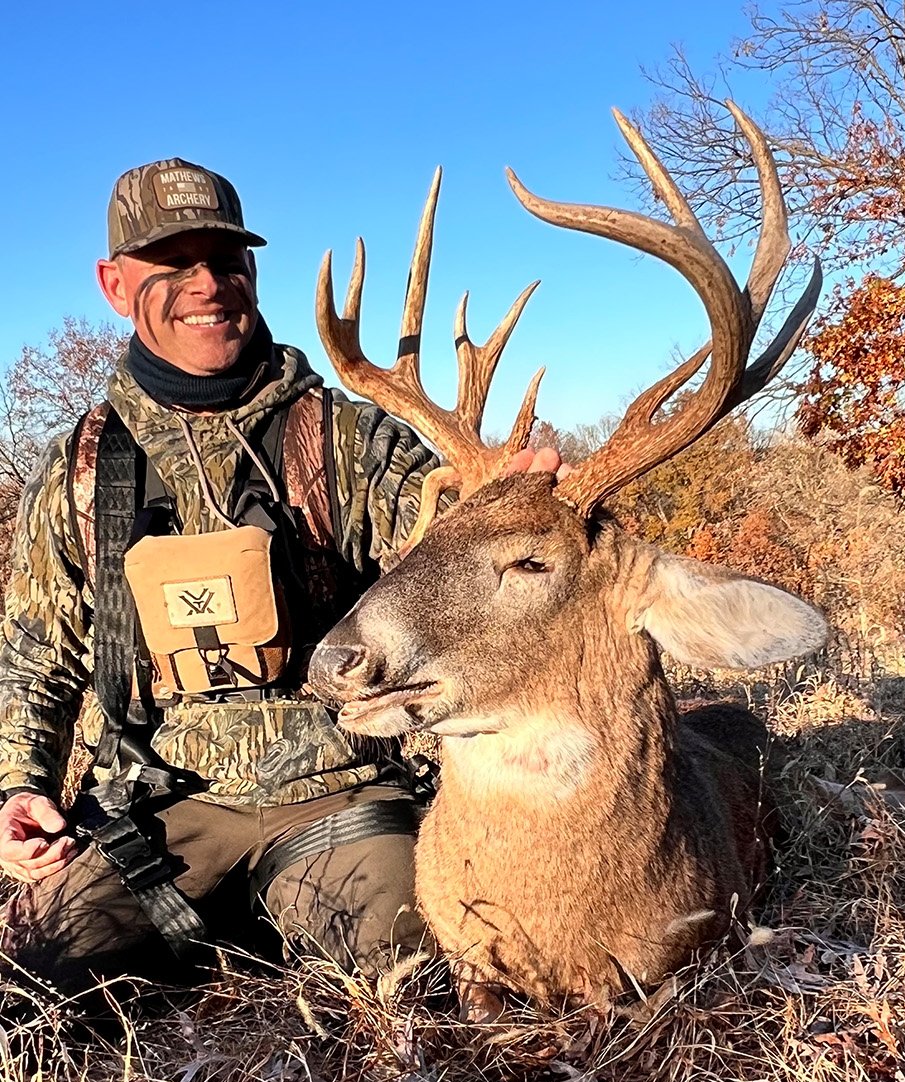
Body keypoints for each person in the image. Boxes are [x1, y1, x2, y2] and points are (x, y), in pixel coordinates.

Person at [0, 158, 537, 996]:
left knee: (416, 985)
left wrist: (518, 511)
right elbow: (37, 654)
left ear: (252, 270)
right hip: (154, 807)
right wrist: (22, 786)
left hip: (339, 793)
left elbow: (456, 561)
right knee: (28, 984)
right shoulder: (79, 468)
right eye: (173, 263)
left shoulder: (345, 440)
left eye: (226, 259)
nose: (207, 284)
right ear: (114, 284)